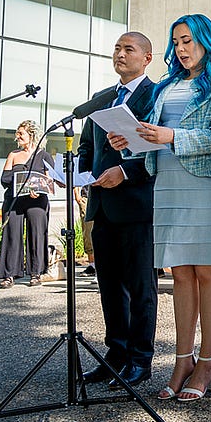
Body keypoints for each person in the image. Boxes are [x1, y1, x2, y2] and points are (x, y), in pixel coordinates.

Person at [108, 15, 211, 402]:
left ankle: (208, 361)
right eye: (176, 42)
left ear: (205, 40)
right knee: (180, 274)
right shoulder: (167, 84)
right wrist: (129, 141)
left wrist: (169, 135)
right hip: (166, 180)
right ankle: (182, 360)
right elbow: (153, 135)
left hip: (204, 183)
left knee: (207, 271)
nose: (181, 49)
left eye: (187, 40)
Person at [77, 32, 157, 390]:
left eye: (129, 49)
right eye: (117, 49)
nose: (120, 54)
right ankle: (116, 355)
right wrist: (81, 174)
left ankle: (141, 360)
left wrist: (125, 171)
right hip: (103, 205)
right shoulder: (100, 100)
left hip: (139, 205)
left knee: (140, 287)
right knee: (109, 286)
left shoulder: (157, 95)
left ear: (148, 57)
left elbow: (160, 153)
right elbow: (86, 147)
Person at [0, 120, 52, 289]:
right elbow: (4, 179)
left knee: (37, 234)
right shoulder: (13, 154)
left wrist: (38, 187)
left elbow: (50, 180)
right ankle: (9, 275)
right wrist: (20, 181)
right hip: (14, 201)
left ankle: (36, 273)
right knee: (12, 235)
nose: (17, 137)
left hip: (37, 201)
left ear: (32, 135)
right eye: (17, 133)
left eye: (21, 133)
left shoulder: (44, 156)